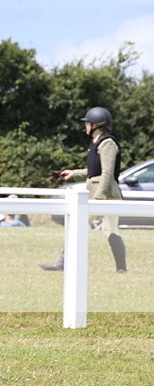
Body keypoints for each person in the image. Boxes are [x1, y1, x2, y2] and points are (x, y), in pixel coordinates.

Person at [40, 106, 127, 273]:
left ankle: (121, 269)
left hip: (106, 194)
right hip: (94, 192)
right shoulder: (95, 143)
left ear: (96, 124)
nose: (85, 126)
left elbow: (107, 173)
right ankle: (63, 264)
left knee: (110, 231)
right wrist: (72, 173)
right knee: (76, 225)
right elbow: (94, 171)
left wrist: (99, 197)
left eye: (87, 123)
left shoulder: (107, 143)